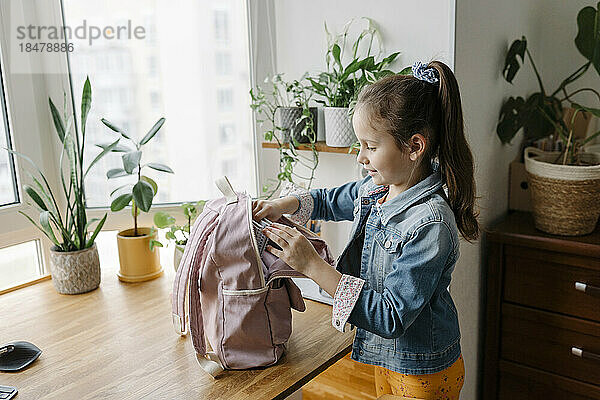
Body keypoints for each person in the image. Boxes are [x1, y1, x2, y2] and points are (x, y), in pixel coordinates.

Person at [252, 60, 478, 399]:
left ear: (414, 147)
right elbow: (328, 199)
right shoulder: (378, 187)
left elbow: (390, 316)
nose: (361, 157)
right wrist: (284, 205)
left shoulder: (430, 223)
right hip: (389, 359)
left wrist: (313, 266)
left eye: (371, 146)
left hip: (423, 371)